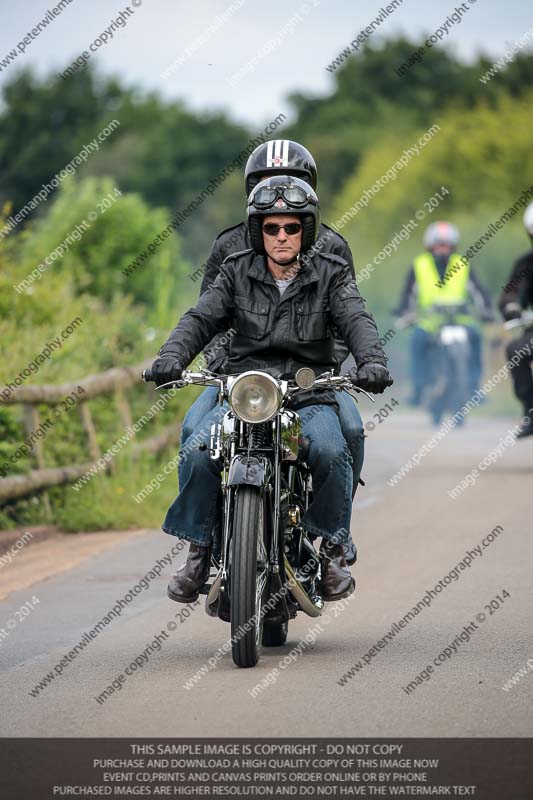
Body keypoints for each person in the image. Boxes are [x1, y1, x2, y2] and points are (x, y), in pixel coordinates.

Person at [150, 175, 393, 604]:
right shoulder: (235, 269)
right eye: (271, 227)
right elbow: (200, 318)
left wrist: (372, 362)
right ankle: (200, 549)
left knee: (334, 450)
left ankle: (333, 549)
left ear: (307, 229)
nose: (282, 236)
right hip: (245, 388)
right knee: (198, 449)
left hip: (308, 391)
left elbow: (357, 319)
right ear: (257, 230)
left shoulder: (331, 274)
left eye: (292, 227)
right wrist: (172, 356)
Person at [182, 139, 364, 565]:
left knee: (350, 434)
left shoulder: (333, 249)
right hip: (243, 377)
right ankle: (200, 544)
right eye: (265, 183)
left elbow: (347, 319)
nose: (278, 191)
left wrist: (329, 367)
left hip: (310, 378)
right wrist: (227, 369)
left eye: (293, 183)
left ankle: (336, 536)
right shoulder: (229, 246)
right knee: (193, 434)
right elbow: (209, 317)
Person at [395, 221, 492, 405]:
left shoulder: (462, 264)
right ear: (430, 246)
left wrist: (486, 310)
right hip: (430, 323)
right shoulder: (419, 265)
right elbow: (408, 295)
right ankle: (419, 387)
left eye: (446, 245)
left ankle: (474, 386)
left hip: (460, 321)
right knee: (417, 339)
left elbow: (479, 292)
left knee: (476, 337)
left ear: (453, 246)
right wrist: (405, 313)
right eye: (439, 244)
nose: (443, 249)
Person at [499, 202, 533, 438]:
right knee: (515, 349)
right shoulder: (526, 263)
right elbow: (511, 291)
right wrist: (511, 306)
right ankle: (530, 409)